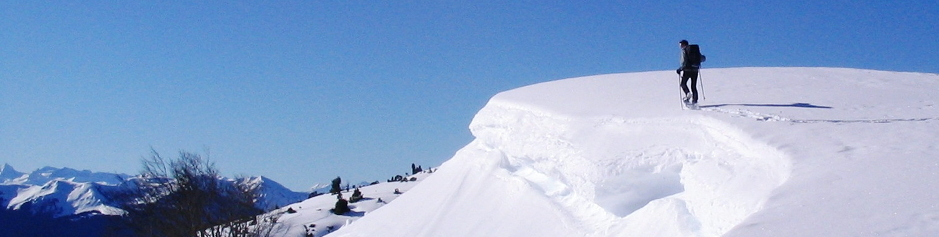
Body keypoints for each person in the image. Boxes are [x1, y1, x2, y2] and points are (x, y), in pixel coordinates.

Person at [677, 40, 699, 105]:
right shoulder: (695, 50)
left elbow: (685, 62)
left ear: (683, 44)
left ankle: (687, 93)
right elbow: (702, 58)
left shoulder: (685, 51)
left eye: (681, 44)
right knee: (693, 86)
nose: (680, 46)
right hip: (695, 70)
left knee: (683, 84)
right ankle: (695, 101)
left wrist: (680, 69)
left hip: (687, 70)